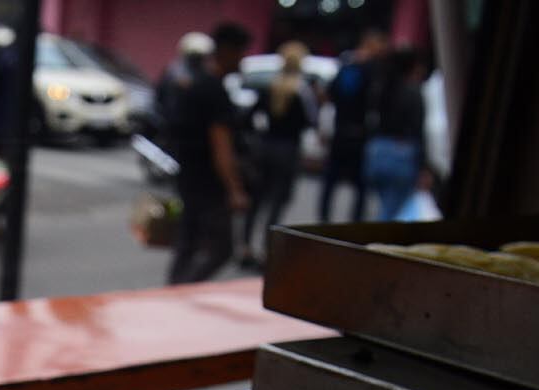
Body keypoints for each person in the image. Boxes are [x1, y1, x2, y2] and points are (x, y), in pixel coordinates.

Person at [165, 22, 252, 286]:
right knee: (220, 248)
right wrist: (234, 188)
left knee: (188, 242)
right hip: (208, 183)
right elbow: (220, 145)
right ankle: (179, 293)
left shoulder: (195, 84)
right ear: (228, 51)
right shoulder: (214, 91)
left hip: (189, 176)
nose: (243, 60)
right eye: (241, 52)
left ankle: (173, 292)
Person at [240, 40, 316, 267]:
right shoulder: (302, 91)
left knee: (257, 200)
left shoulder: (270, 86)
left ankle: (245, 247)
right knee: (276, 203)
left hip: (266, 147)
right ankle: (265, 249)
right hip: (287, 149)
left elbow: (247, 117)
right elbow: (310, 121)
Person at [318, 28, 387, 223]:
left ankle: (324, 219)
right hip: (358, 133)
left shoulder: (348, 64)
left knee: (333, 181)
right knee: (358, 185)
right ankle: (348, 221)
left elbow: (328, 95)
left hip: (343, 131)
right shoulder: (371, 69)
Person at [364, 46, 427, 221]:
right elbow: (418, 130)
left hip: (377, 150)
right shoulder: (412, 92)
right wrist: (423, 165)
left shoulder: (381, 87)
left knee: (386, 205)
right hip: (401, 153)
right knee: (391, 212)